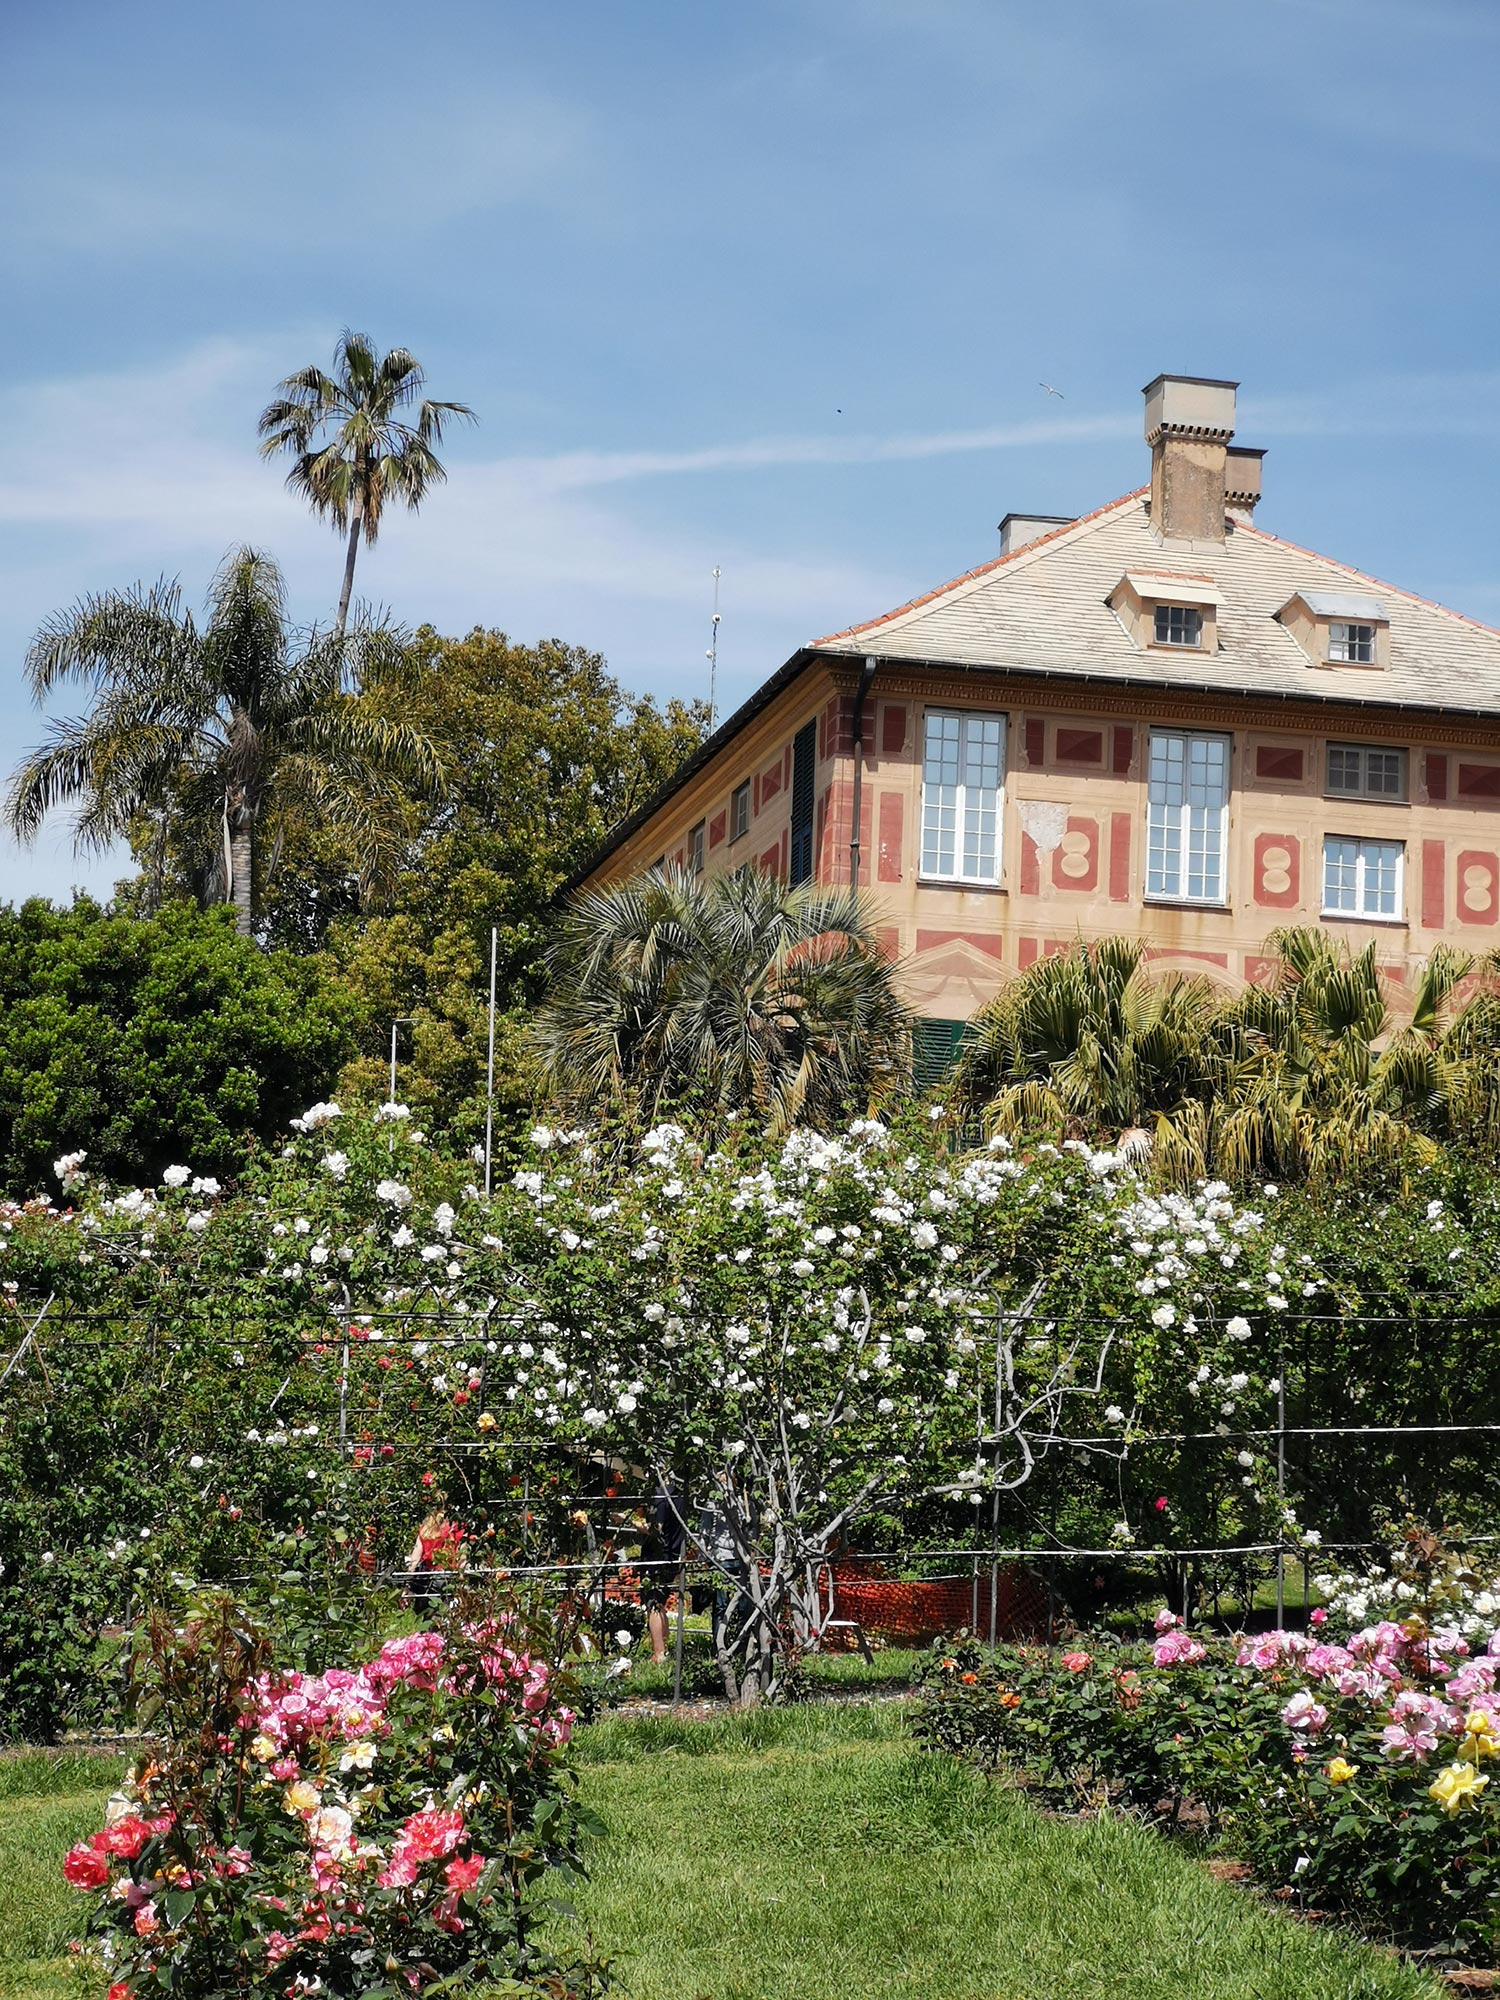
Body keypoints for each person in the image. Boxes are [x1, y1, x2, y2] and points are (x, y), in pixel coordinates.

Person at [639, 1487, 684, 1664]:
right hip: (672, 1554)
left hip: (658, 1556)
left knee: (653, 1602)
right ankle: (663, 1648)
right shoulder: (679, 1494)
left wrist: (631, 1523)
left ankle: (659, 1653)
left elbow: (656, 1530)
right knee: (660, 1601)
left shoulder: (660, 1496)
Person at [406, 1508, 465, 1606]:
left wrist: (407, 1584)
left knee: (424, 1611)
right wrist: (461, 1579)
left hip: (426, 1575)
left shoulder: (425, 1530)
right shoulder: (455, 1530)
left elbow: (414, 1561)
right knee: (445, 1608)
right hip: (447, 1574)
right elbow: (462, 1556)